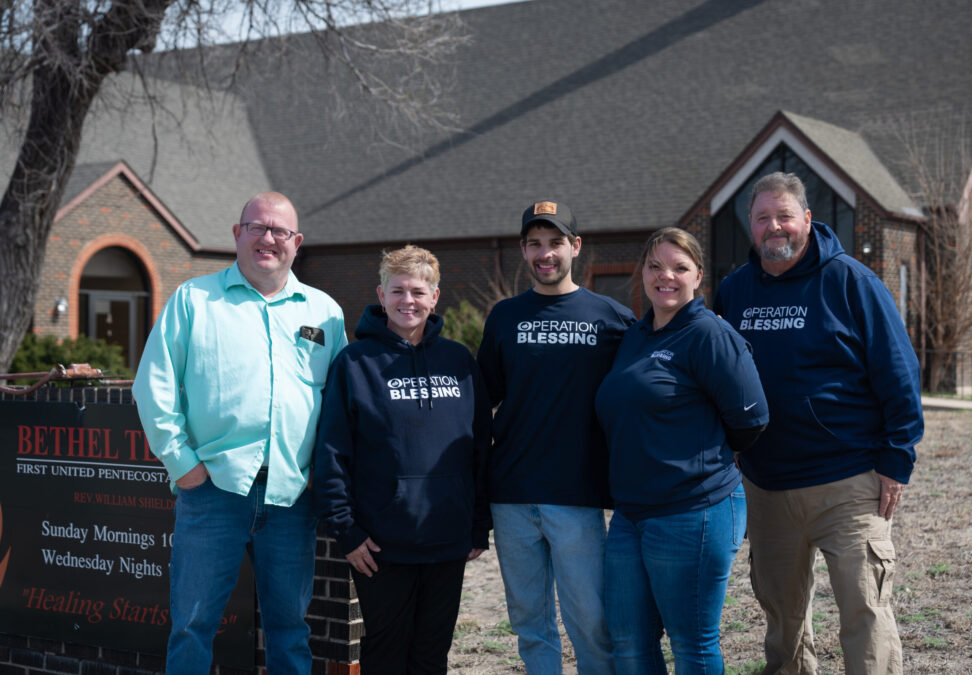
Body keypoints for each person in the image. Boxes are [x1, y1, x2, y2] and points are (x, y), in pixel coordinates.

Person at [714, 172, 924, 675]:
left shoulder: (852, 282)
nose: (774, 227)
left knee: (865, 612)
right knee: (782, 621)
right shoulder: (735, 292)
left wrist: (897, 459)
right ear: (750, 226)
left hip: (849, 483)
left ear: (807, 220)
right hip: (767, 485)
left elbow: (899, 372)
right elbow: (715, 377)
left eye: (784, 215)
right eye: (763, 218)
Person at [132, 191, 347, 674]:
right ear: (237, 234)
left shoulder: (325, 312)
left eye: (280, 231)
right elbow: (154, 387)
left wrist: (322, 472)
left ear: (297, 243)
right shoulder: (194, 300)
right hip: (213, 494)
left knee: (290, 631)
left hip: (292, 497)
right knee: (192, 626)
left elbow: (341, 406)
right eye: (258, 228)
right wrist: (182, 465)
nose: (268, 239)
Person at [594, 227, 769, 673]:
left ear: (698, 278)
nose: (665, 276)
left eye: (679, 267)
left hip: (693, 510)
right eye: (655, 266)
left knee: (691, 645)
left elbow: (751, 417)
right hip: (630, 514)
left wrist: (702, 459)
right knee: (629, 643)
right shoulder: (636, 336)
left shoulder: (709, 335)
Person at [312, 245, 492, 673]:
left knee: (432, 655)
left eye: (417, 291)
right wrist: (347, 532)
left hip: (447, 541)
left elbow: (480, 448)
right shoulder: (354, 364)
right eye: (397, 291)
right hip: (381, 544)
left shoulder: (459, 362)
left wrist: (477, 525)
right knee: (386, 656)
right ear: (380, 294)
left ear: (434, 297)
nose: (407, 301)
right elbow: (332, 453)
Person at [477, 201, 634, 673]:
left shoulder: (612, 319)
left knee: (590, 619)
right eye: (535, 244)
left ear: (575, 247)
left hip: (576, 494)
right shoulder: (505, 317)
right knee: (529, 620)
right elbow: (480, 403)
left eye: (555, 243)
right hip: (511, 495)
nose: (546, 254)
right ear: (525, 251)